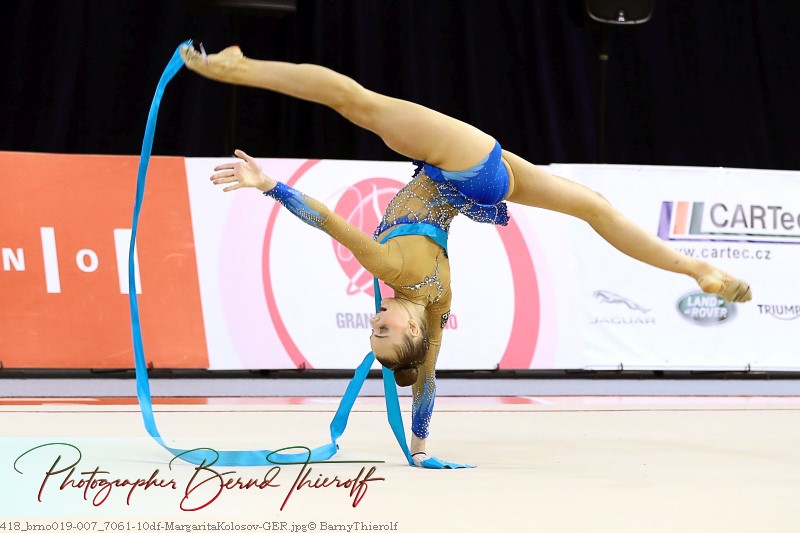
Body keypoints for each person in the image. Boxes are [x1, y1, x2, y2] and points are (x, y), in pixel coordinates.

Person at [180, 45, 752, 465]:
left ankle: (697, 268)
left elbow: (424, 381)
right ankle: (237, 69)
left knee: (595, 209)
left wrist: (420, 447)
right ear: (410, 328)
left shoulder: (435, 309)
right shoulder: (391, 270)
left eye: (372, 329)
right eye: (384, 327)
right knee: (357, 102)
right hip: (458, 168)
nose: (376, 318)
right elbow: (328, 220)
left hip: (474, 185)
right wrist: (268, 185)